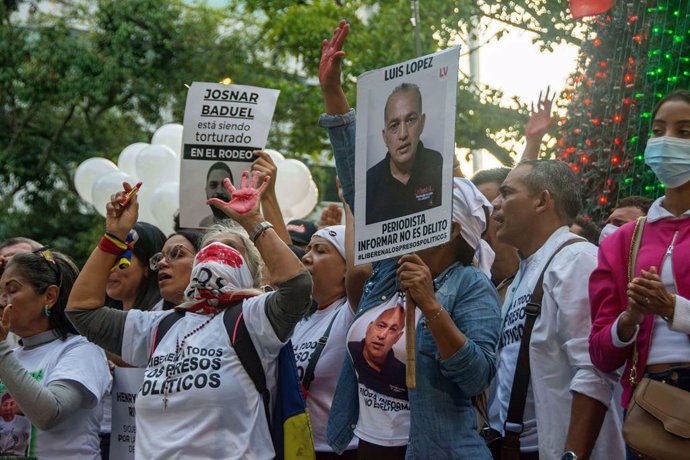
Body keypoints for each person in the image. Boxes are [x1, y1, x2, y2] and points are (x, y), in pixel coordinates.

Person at [319, 21, 500, 459]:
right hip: (367, 448)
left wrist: (432, 307)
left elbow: (477, 377)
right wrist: (332, 92)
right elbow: (355, 176)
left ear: (453, 229)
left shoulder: (470, 287)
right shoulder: (386, 271)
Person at [66, 172, 313, 459]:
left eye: (231, 249)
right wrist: (114, 235)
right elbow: (81, 311)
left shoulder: (255, 319)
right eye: (208, 250)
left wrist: (253, 222)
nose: (216, 254)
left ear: (252, 272)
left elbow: (297, 287)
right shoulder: (160, 326)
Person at [488, 159, 624, 459]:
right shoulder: (523, 274)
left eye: (507, 193)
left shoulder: (576, 260)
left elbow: (594, 372)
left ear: (542, 201)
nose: (495, 205)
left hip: (555, 449)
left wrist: (572, 455)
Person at [589, 90, 690, 452]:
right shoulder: (622, 242)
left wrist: (672, 309)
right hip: (651, 405)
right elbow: (600, 352)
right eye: (659, 129)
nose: (668, 141)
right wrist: (628, 321)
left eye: (684, 131)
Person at [0, 249, 112, 459]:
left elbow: (48, 414)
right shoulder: (9, 355)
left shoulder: (82, 350)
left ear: (50, 296)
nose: (1, 300)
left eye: (12, 290)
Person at [292, 225, 358, 460]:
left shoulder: (351, 313)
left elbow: (360, 273)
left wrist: (350, 199)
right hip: (298, 449)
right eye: (307, 249)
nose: (306, 257)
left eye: (320, 251)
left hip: (340, 451)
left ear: (346, 268)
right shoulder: (299, 320)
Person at [365, 83, 443, 224]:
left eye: (410, 120)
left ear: (422, 123)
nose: (403, 134)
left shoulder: (440, 165)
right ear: (385, 136)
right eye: (394, 126)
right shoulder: (369, 183)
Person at [471, 168, 519, 303]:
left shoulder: (546, 271)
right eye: (472, 211)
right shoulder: (468, 289)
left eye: (487, 209)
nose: (479, 220)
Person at [106, 222, 166, 311]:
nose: (109, 267)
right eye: (107, 258)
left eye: (120, 258)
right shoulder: (104, 320)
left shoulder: (164, 320)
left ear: (151, 264)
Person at [150, 229, 203, 310]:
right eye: (160, 257)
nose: (161, 263)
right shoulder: (152, 320)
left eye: (176, 254)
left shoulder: (227, 318)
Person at [199, 161, 234, 227]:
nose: (219, 191)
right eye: (213, 185)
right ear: (206, 190)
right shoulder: (203, 224)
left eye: (225, 185)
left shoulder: (246, 225)